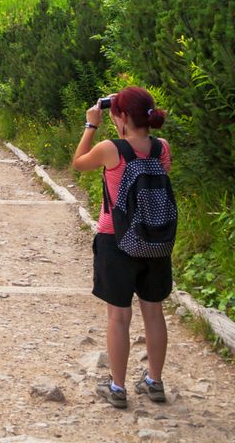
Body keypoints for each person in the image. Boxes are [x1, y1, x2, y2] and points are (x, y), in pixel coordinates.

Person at [72, 86, 171, 409]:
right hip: (155, 241)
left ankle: (117, 388)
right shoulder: (161, 148)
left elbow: (78, 163)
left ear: (123, 116)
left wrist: (91, 125)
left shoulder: (109, 149)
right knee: (154, 312)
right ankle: (154, 382)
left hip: (116, 240)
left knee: (119, 316)